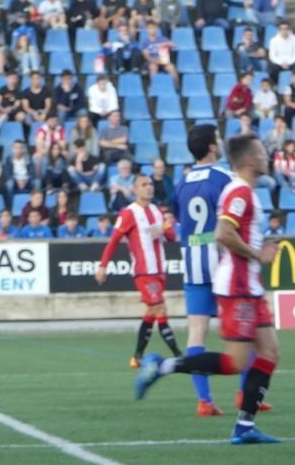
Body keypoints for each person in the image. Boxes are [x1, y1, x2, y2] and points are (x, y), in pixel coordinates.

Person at [135, 134, 282, 445]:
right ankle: (163, 366)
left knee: (269, 351)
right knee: (236, 361)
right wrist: (258, 254)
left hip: (244, 283)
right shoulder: (237, 190)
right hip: (237, 284)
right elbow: (223, 233)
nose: (266, 156)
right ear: (250, 160)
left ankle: (244, 426)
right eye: (261, 152)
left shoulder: (237, 189)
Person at [97, 173, 181, 366]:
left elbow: (171, 236)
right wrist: (103, 265)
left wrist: (163, 229)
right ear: (135, 189)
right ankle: (178, 354)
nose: (149, 187)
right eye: (144, 184)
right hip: (144, 272)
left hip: (159, 271)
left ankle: (137, 357)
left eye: (150, 184)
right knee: (160, 308)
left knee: (152, 311)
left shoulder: (157, 210)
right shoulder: (129, 213)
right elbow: (114, 241)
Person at [142, 21, 178, 87]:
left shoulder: (162, 39)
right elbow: (146, 56)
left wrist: (168, 44)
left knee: (171, 67)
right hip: (153, 61)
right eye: (150, 28)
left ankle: (175, 87)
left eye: (153, 28)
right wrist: (155, 61)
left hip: (163, 61)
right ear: (147, 30)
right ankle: (154, 87)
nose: (152, 30)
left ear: (156, 29)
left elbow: (174, 45)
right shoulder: (145, 42)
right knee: (153, 67)